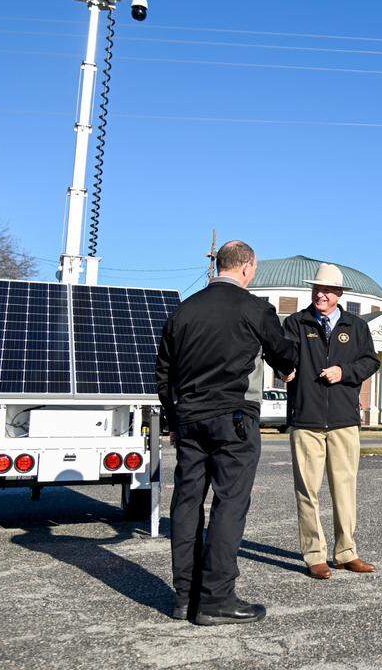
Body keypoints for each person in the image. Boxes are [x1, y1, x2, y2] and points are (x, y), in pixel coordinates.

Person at [156, 241, 298, 624]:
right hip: (233, 418)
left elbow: (164, 374)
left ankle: (184, 597)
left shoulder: (183, 310)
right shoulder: (254, 308)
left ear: (219, 265)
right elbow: (283, 353)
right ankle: (216, 599)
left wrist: (174, 419)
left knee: (186, 504)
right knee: (229, 503)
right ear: (248, 268)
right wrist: (290, 366)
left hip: (189, 420)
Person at [283, 262, 381, 580]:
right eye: (316, 289)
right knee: (307, 491)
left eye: (326, 290)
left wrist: (344, 372)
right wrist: (284, 367)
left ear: (339, 294)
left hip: (343, 420)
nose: (320, 294)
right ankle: (314, 555)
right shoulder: (297, 323)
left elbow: (370, 361)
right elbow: (281, 353)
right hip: (306, 419)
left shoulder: (356, 326)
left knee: (344, 488)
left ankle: (346, 552)